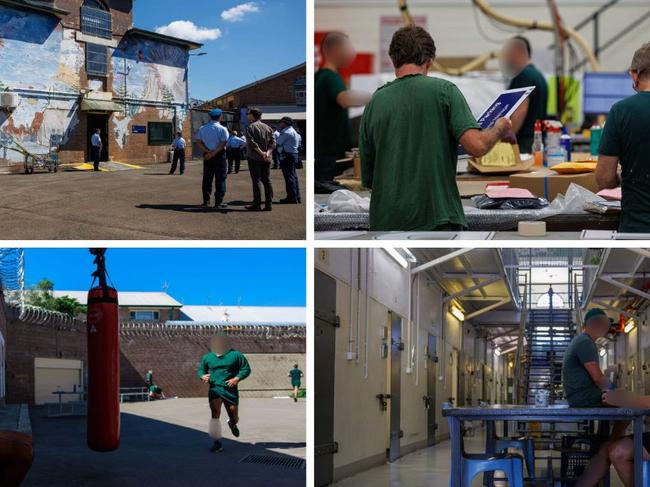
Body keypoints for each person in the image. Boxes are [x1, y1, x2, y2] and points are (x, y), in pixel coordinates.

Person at [359, 25, 512, 232]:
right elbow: (477, 145)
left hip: (386, 221)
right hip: (437, 218)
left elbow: (368, 180)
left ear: (394, 60)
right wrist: (500, 127)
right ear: (429, 62)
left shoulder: (374, 102)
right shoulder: (445, 92)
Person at [596, 41, 650, 233]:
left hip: (637, 229)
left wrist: (620, 179)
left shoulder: (621, 111)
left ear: (634, 74)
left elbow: (604, 178)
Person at [315, 31, 372, 184]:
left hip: (325, 151)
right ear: (333, 50)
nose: (351, 53)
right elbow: (344, 99)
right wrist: (377, 97)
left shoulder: (321, 76)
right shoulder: (330, 77)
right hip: (330, 152)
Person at [198, 333, 251, 453]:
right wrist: (202, 376)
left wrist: (237, 378)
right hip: (215, 389)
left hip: (230, 390)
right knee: (215, 416)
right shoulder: (208, 357)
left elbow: (246, 369)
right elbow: (201, 369)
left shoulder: (236, 355)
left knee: (234, 416)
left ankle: (232, 423)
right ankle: (217, 443)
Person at [501, 36, 548, 153]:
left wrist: (506, 139)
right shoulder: (538, 76)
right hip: (536, 143)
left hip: (523, 146)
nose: (507, 58)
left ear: (517, 52)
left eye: (508, 53)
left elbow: (520, 111)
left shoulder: (524, 77)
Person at [196, 109, 229, 209]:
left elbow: (198, 142)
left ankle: (206, 201)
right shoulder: (223, 129)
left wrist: (208, 152)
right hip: (219, 155)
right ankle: (218, 202)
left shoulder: (202, 128)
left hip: (207, 155)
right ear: (220, 117)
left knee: (207, 178)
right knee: (220, 179)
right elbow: (223, 143)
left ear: (210, 117)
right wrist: (214, 152)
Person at [245, 108, 276, 212]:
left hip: (254, 157)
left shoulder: (250, 127)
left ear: (252, 115)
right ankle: (269, 204)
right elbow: (273, 142)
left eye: (248, 113)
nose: (247, 115)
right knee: (267, 180)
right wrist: (267, 153)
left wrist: (260, 152)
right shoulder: (268, 127)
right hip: (267, 157)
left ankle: (257, 204)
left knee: (256, 180)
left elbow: (251, 142)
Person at [276, 116, 302, 204]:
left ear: (285, 123)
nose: (280, 124)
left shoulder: (286, 132)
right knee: (293, 177)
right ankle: (296, 196)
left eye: (281, 122)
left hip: (287, 156)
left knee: (289, 177)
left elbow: (278, 143)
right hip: (293, 155)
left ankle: (291, 197)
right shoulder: (294, 131)